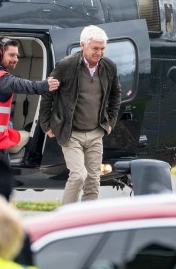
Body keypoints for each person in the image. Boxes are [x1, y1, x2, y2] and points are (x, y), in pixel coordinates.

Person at [39, 25, 121, 204]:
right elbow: (48, 93)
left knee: (93, 180)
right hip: (71, 133)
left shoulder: (109, 67)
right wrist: (46, 125)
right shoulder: (66, 66)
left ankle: (86, 221)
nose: (99, 53)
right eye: (95, 48)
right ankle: (65, 216)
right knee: (78, 175)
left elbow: (116, 94)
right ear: (82, 45)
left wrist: (111, 122)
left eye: (102, 49)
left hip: (95, 133)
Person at [0, 37, 59, 163]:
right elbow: (20, 84)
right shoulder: (1, 78)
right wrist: (43, 85)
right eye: (12, 55)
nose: (16, 59)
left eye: (17, 55)